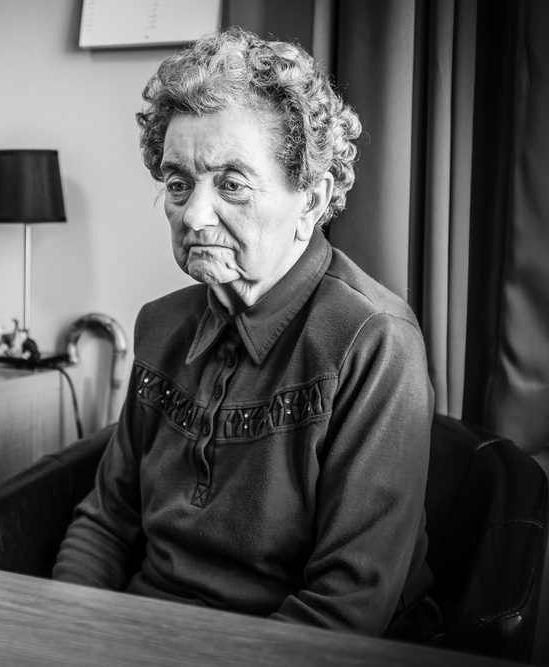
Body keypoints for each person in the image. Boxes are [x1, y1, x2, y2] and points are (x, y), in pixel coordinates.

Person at [52, 27, 435, 638]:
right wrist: (62, 631)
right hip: (140, 632)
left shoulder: (375, 341)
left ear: (312, 199)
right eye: (178, 183)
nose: (194, 214)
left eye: (231, 183)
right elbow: (106, 523)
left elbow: (346, 605)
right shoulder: (160, 325)